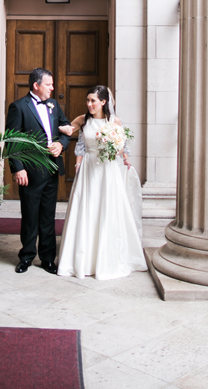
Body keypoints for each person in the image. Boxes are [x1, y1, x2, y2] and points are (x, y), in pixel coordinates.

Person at [57, 85, 147, 280]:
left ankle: (107, 259)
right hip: (89, 170)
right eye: (88, 100)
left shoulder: (114, 121)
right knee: (87, 211)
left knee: (108, 210)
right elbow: (78, 143)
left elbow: (122, 145)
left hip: (108, 170)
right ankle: (85, 260)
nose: (89, 104)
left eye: (93, 101)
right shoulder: (83, 120)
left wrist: (125, 158)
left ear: (103, 102)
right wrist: (77, 163)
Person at [5, 68, 71, 274]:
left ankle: (48, 258)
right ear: (36, 85)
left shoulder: (53, 105)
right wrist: (18, 168)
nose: (52, 88)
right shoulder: (18, 107)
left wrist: (61, 144)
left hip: (51, 168)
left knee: (48, 216)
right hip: (30, 171)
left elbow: (66, 127)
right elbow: (12, 139)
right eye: (49, 84)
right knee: (30, 215)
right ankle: (26, 256)